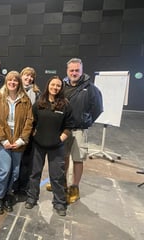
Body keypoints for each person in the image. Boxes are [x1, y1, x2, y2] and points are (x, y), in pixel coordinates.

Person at [25, 76, 73, 216]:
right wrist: (35, 135)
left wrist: (60, 139)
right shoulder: (39, 103)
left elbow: (69, 127)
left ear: (61, 88)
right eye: (53, 85)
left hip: (57, 147)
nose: (55, 87)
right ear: (48, 86)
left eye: (58, 85)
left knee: (57, 176)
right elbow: (32, 122)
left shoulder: (65, 105)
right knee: (34, 174)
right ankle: (32, 197)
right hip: (38, 145)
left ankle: (59, 202)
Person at [0, 71, 33, 215]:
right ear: (6, 82)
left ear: (19, 82)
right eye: (10, 80)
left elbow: (29, 120)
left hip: (18, 142)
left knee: (14, 172)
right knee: (4, 171)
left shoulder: (25, 99)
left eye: (15, 80)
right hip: (3, 141)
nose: (12, 83)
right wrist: (3, 139)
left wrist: (21, 140)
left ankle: (8, 195)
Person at [63, 58, 103, 203]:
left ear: (81, 70)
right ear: (67, 71)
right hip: (64, 130)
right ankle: (62, 184)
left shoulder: (91, 88)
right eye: (71, 70)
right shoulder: (61, 85)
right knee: (64, 157)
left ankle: (74, 187)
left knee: (78, 159)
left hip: (79, 130)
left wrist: (87, 121)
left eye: (77, 70)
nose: (74, 73)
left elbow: (98, 108)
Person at [13, 67, 41, 196]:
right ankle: (13, 184)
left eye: (31, 77)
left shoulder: (37, 93)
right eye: (26, 75)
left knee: (26, 161)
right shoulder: (13, 90)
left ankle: (23, 186)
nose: (29, 78)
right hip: (14, 131)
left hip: (28, 132)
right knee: (14, 160)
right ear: (21, 75)